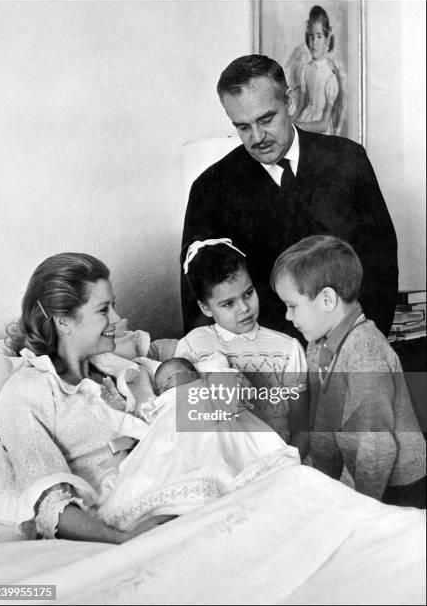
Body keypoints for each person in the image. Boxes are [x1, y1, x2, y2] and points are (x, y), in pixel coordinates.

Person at [0, 252, 296, 543]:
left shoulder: (129, 369)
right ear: (63, 321)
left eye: (113, 305)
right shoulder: (26, 393)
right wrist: (124, 539)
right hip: (125, 516)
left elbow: (193, 381)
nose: (117, 318)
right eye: (103, 310)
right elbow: (49, 501)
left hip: (191, 487)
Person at [180, 54, 398, 342]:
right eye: (242, 126)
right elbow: (199, 298)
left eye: (266, 119)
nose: (257, 137)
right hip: (263, 362)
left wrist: (361, 344)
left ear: (290, 102)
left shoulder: (348, 160)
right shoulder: (210, 189)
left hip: (348, 347)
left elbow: (380, 265)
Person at [270, 235, 426, 507]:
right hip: (368, 475)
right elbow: (323, 427)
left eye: (292, 306)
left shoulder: (365, 353)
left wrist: (359, 509)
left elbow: (377, 450)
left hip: (402, 486)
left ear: (327, 299)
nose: (287, 316)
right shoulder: (317, 346)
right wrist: (324, 486)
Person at [175, 237, 309, 458]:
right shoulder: (192, 347)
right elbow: (186, 425)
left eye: (248, 293)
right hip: (221, 461)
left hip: (280, 459)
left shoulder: (288, 349)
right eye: (228, 303)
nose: (244, 308)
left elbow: (302, 426)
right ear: (205, 307)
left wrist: (291, 462)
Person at [291, 5, 344, 136]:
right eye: (311, 36)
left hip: (319, 131)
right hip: (304, 121)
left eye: (319, 36)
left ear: (327, 40)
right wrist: (289, 122)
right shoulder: (305, 69)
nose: (314, 42)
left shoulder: (330, 77)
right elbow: (302, 105)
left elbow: (323, 125)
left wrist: (297, 126)